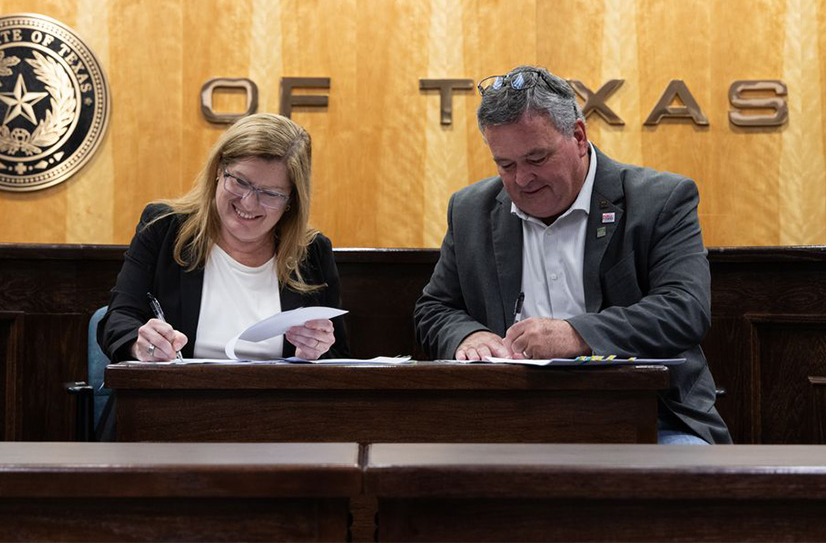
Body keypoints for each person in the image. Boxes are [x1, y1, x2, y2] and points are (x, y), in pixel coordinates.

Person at [414, 65, 731, 445]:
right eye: (506, 165)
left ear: (578, 136)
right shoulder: (470, 210)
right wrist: (469, 335)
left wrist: (577, 334)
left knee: (688, 480)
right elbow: (434, 308)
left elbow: (685, 309)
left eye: (536, 159)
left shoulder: (660, 199)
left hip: (649, 417)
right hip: (507, 421)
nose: (522, 179)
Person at [99, 112, 348, 363]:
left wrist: (314, 353)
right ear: (219, 169)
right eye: (240, 181)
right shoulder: (163, 228)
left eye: (270, 193)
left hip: (277, 401)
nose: (249, 203)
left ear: (291, 200)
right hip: (175, 399)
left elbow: (339, 355)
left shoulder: (312, 252)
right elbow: (118, 320)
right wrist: (141, 345)